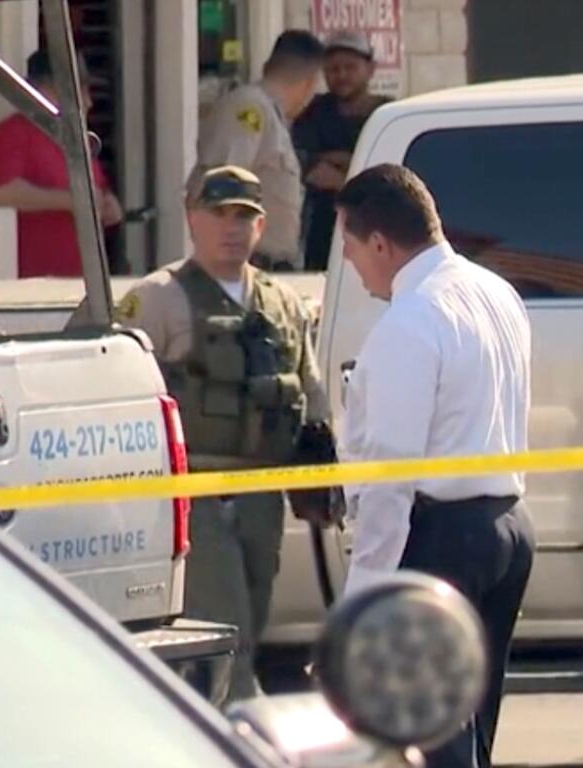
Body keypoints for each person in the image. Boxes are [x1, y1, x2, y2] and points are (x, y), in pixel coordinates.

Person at [334, 163, 535, 768]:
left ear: (378, 243)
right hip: (506, 525)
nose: (350, 265)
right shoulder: (495, 292)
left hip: (439, 538)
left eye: (348, 248)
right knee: (473, 731)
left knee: (432, 739)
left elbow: (390, 480)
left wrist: (360, 599)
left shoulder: (410, 321)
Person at [113, 165, 336, 703]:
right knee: (227, 630)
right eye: (219, 214)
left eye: (245, 216)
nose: (232, 227)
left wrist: (320, 461)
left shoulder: (281, 302)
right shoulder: (159, 298)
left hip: (262, 496)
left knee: (252, 624)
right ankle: (237, 736)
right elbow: (114, 381)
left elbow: (309, 385)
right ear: (192, 216)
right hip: (199, 496)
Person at [0, 49, 123, 277]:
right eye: (80, 90)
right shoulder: (10, 135)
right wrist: (70, 200)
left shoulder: (75, 141)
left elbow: (98, 187)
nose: (89, 103)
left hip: (82, 282)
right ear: (47, 89)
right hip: (32, 288)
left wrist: (108, 202)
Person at [197, 30, 324, 271]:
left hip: (267, 267)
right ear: (310, 83)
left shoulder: (270, 116)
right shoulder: (249, 109)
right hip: (249, 265)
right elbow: (222, 186)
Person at [292, 30, 390, 270]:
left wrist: (342, 177)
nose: (342, 75)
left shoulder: (385, 115)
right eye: (333, 69)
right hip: (323, 233)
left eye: (350, 67)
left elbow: (388, 175)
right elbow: (307, 166)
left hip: (377, 232)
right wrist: (355, 163)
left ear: (370, 68)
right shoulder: (314, 112)